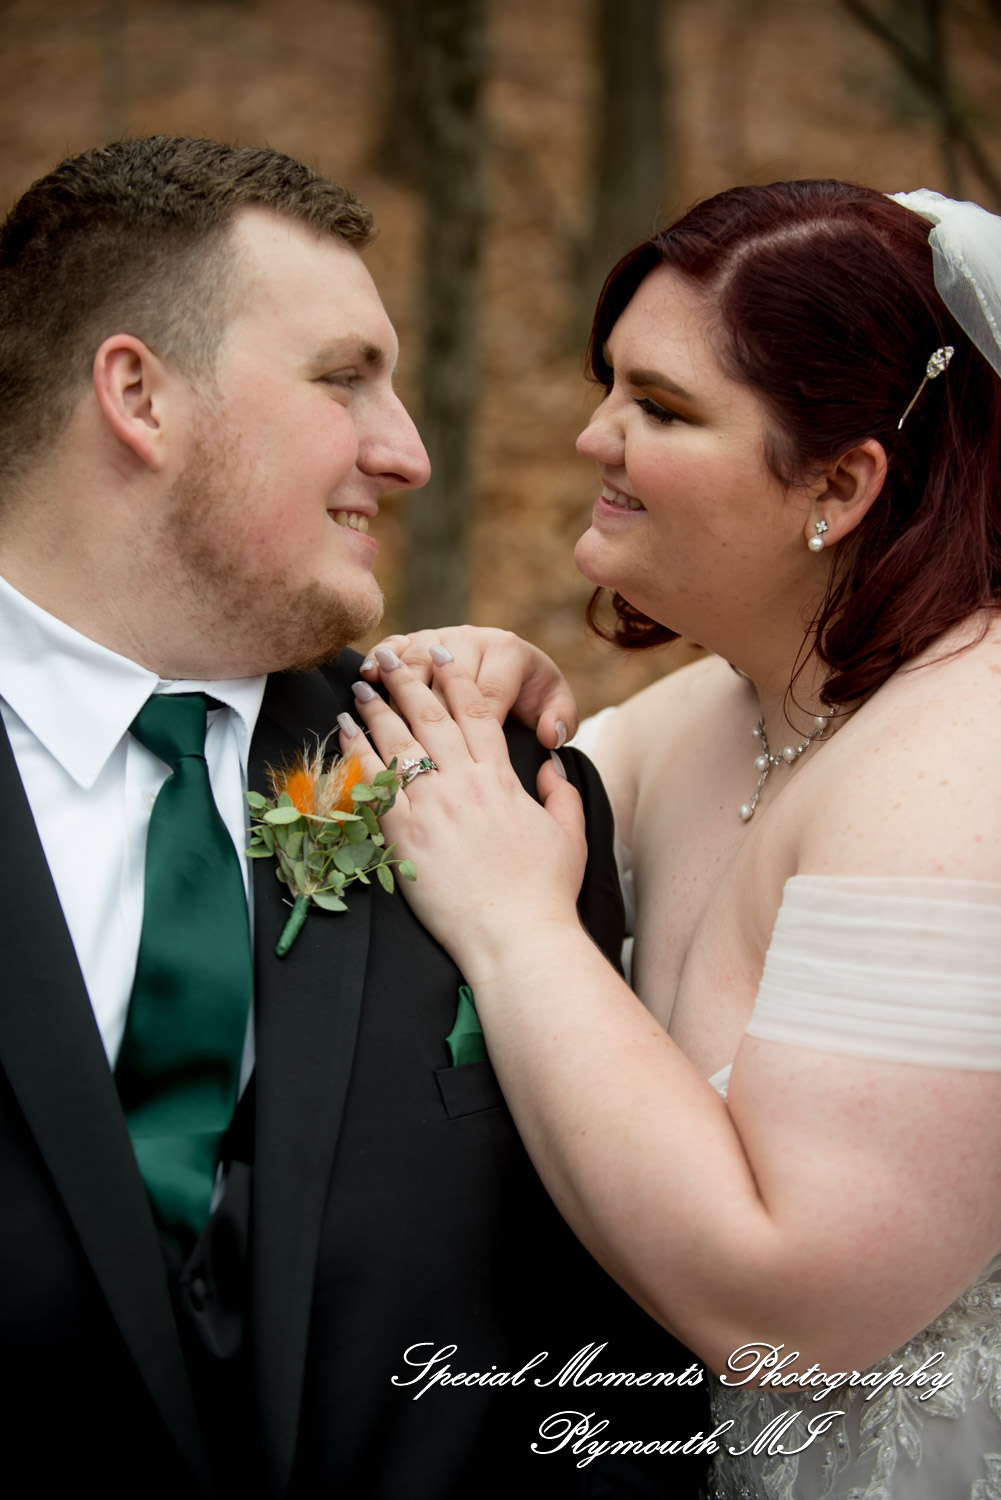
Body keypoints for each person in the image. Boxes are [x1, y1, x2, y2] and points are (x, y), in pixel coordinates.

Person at [0, 137, 712, 1498]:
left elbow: (612, 1368)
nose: (411, 455)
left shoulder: (486, 776)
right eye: (345, 381)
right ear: (138, 394)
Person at [342, 180, 1001, 1499]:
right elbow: (477, 804)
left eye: (661, 408)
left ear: (839, 480)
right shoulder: (724, 708)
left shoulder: (964, 773)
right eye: (609, 386)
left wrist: (517, 927)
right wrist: (477, 681)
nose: (592, 435)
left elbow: (797, 1316)